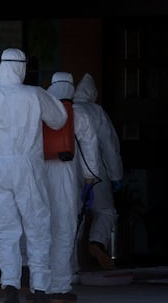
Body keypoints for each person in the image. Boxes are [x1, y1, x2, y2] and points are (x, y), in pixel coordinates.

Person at [0, 48, 68, 303]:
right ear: (21, 68)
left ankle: (10, 284)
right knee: (37, 226)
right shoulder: (34, 94)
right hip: (29, 167)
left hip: (0, 167)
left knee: (5, 229)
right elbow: (59, 119)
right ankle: (40, 287)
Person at [35, 72, 99, 303]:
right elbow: (90, 144)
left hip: (38, 173)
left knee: (39, 231)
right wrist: (91, 178)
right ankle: (59, 286)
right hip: (65, 175)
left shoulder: (39, 110)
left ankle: (38, 284)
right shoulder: (77, 114)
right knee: (64, 229)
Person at [73, 73, 123, 270]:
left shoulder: (64, 110)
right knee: (105, 211)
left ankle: (72, 267)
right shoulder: (96, 111)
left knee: (75, 217)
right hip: (96, 173)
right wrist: (116, 175)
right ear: (92, 94)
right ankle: (97, 242)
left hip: (68, 174)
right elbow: (110, 147)